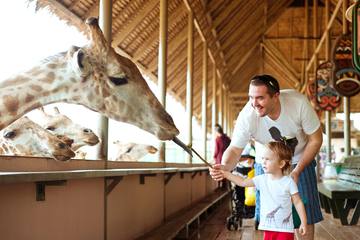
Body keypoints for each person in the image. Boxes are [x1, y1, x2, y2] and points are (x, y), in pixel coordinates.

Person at [209, 74, 323, 240]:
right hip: (267, 165)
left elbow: (316, 139)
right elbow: (234, 149)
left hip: (300, 159)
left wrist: (297, 171)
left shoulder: (298, 103)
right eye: (251, 98)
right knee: (271, 217)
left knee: (304, 215)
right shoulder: (247, 116)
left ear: (276, 96)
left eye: (260, 98)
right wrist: (224, 167)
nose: (254, 103)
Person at [220, 141, 307, 240]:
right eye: (263, 159)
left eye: (268, 159)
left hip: (285, 229)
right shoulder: (261, 179)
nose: (263, 162)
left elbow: (298, 202)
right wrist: (226, 174)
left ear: (281, 163)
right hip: (268, 228)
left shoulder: (289, 182)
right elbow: (243, 182)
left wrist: (303, 223)